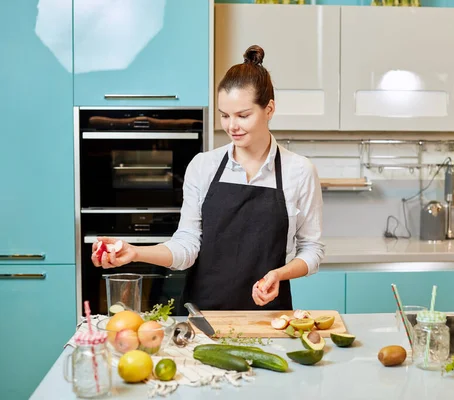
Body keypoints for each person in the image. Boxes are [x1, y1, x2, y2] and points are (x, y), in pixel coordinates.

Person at [91, 45, 325, 311]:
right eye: (225, 115)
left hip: (269, 316)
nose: (231, 126)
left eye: (243, 115)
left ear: (269, 109)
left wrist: (279, 274)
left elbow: (312, 250)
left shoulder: (300, 171)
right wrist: (136, 252)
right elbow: (187, 245)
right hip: (204, 316)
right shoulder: (204, 166)